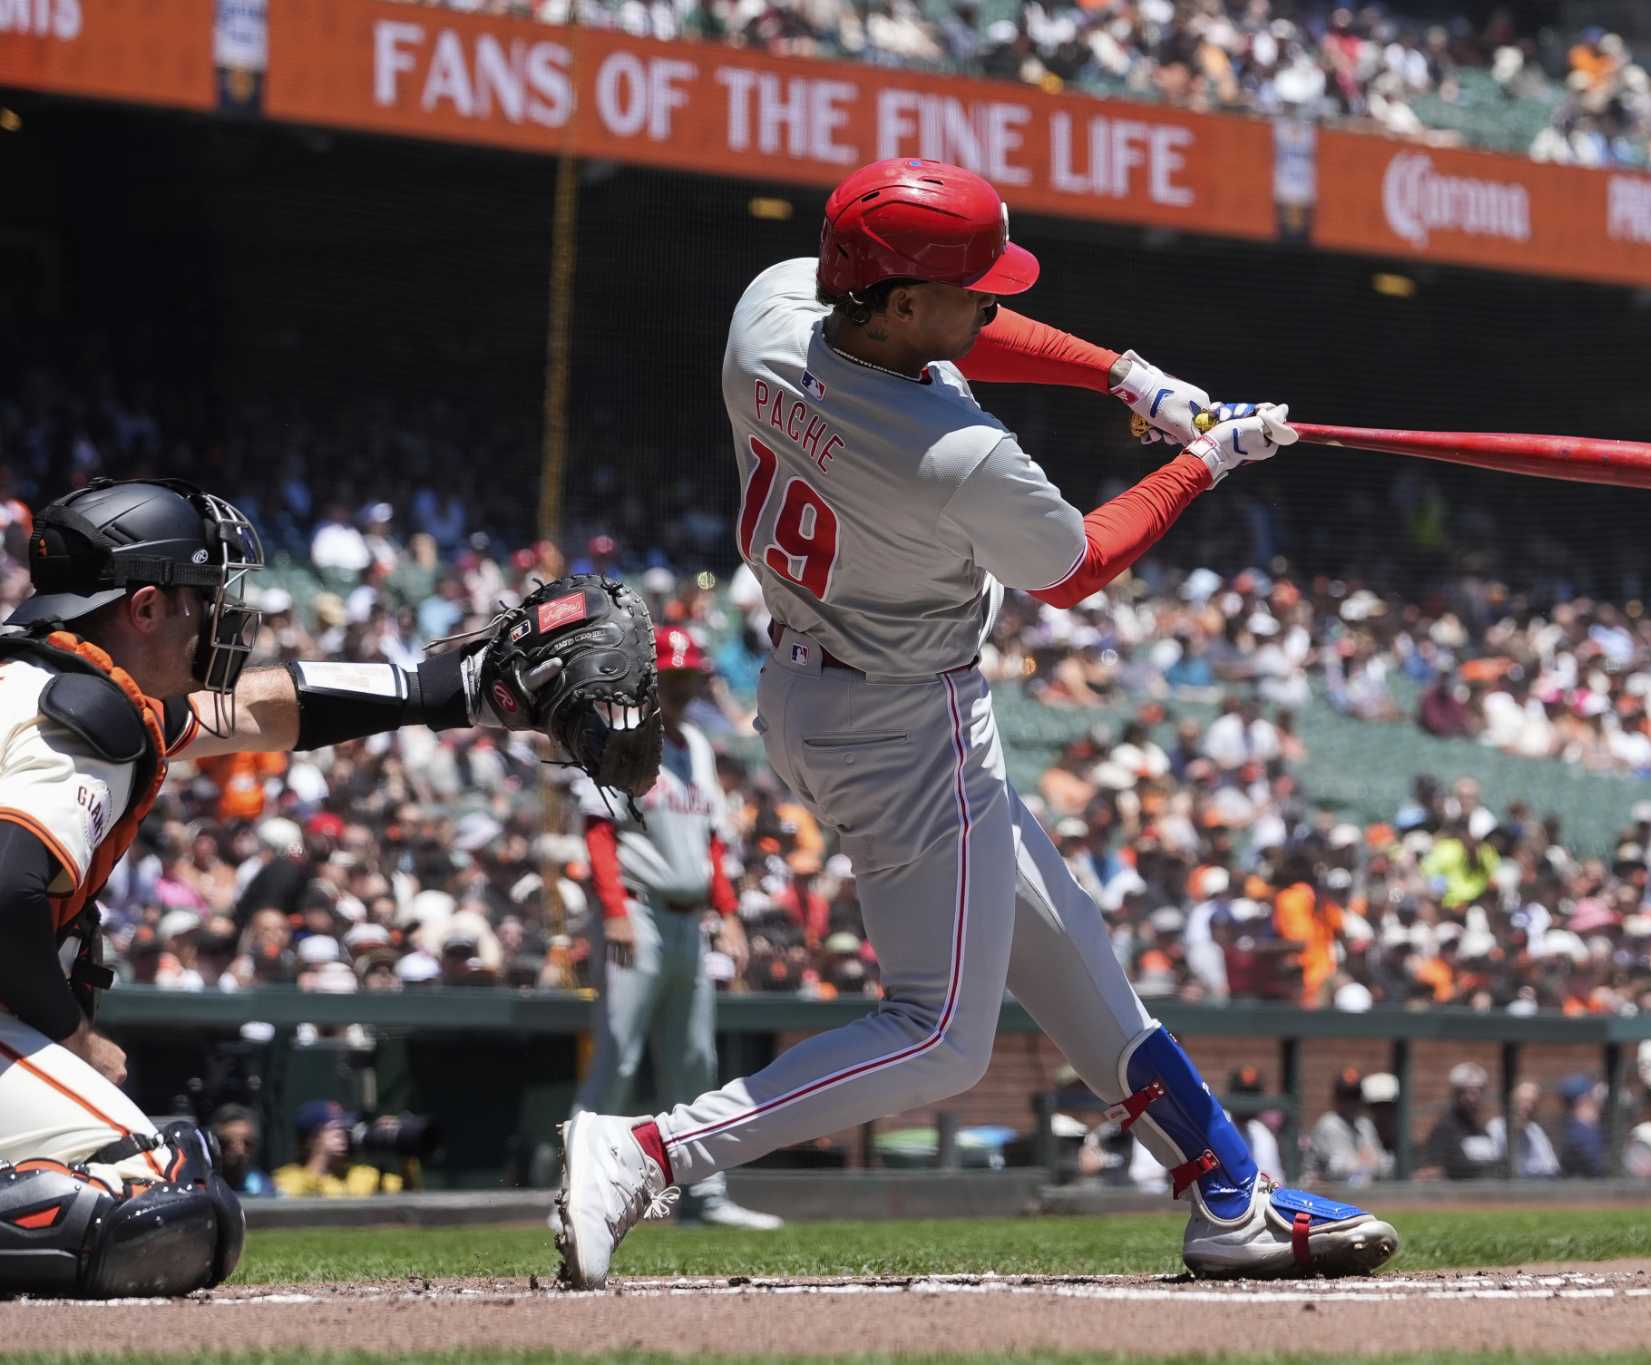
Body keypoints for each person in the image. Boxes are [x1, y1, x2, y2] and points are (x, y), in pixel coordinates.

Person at [555, 157, 1397, 1288]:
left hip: (816, 682)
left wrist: (1124, 377)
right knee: (937, 1036)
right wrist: (1205, 459)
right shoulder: (957, 456)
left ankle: (1225, 1195)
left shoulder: (771, 309)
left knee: (1072, 958)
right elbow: (1077, 567)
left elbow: (953, 336)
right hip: (905, 723)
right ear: (900, 302)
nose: (991, 305)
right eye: (969, 287)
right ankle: (649, 1149)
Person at [0, 477, 614, 1298]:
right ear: (145, 608)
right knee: (164, 1201)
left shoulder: (46, 677)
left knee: (175, 1167)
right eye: (198, 594)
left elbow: (259, 711)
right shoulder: (76, 717)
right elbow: (6, 888)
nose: (217, 613)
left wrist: (453, 689)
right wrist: (75, 1036)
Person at [569, 625, 781, 1231]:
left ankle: (705, 1195)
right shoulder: (616, 738)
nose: (685, 688)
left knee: (694, 1059)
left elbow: (712, 841)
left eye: (691, 678)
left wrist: (730, 912)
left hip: (689, 920)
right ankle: (580, 1191)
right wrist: (612, 910)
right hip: (636, 912)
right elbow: (599, 831)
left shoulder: (695, 747)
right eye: (675, 677)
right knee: (619, 1054)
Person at [270, 1101, 404, 1198]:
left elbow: (407, 1192)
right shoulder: (288, 1177)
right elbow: (287, 1200)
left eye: (346, 1129)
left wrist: (400, 1145)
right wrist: (320, 1158)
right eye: (336, 1130)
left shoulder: (361, 1175)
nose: (343, 1135)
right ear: (312, 1138)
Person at [1309, 1067, 1393, 1186]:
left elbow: (1384, 1164)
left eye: (1355, 1096)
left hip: (1358, 1192)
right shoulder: (1328, 1124)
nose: (1351, 1102)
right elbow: (1336, 1169)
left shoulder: (1365, 1125)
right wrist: (1365, 1161)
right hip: (1324, 1195)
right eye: (1346, 1097)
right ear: (1336, 1098)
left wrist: (1365, 1162)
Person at [1416, 1062, 1501, 1180]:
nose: (1474, 1098)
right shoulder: (1444, 1129)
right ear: (1456, 1094)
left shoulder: (1482, 1130)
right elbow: (1429, 1171)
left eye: (1479, 1091)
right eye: (1469, 1092)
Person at [206, 1103, 276, 1198]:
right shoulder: (200, 1185)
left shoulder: (262, 1186)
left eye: (247, 1143)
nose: (239, 1151)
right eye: (227, 1142)